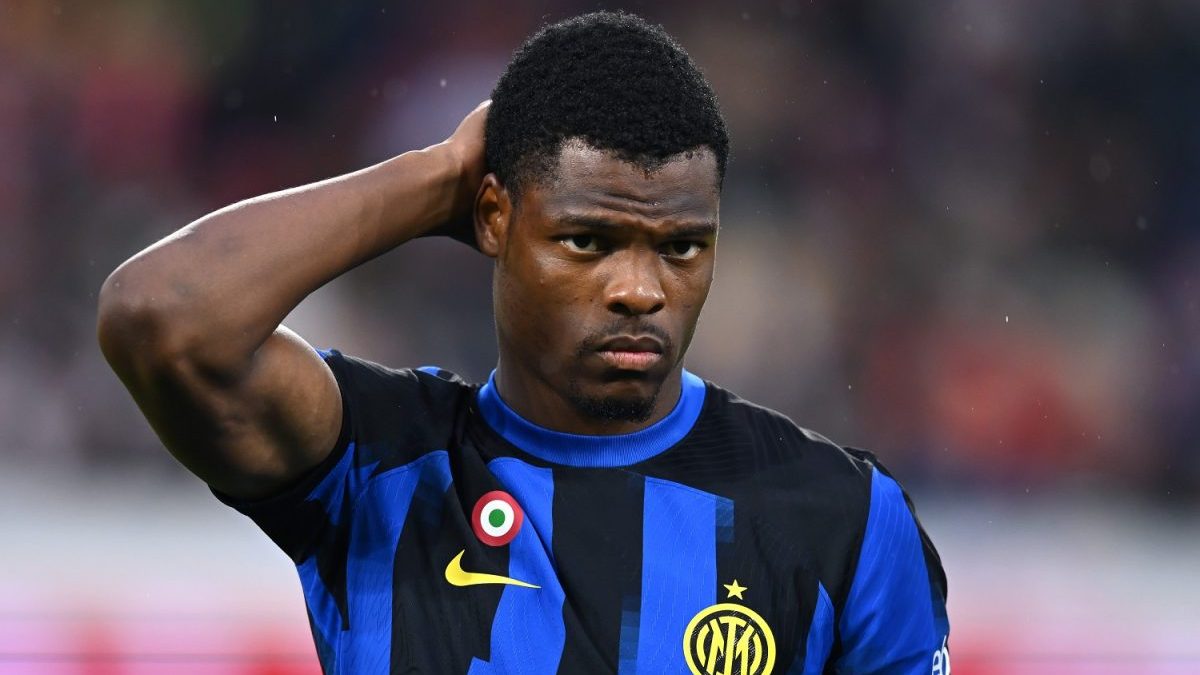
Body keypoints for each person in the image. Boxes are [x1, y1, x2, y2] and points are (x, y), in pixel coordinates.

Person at [97, 11, 949, 675]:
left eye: (682, 247)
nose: (640, 288)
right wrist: (438, 177)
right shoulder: (381, 463)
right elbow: (159, 318)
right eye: (588, 240)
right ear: (495, 218)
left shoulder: (843, 517)